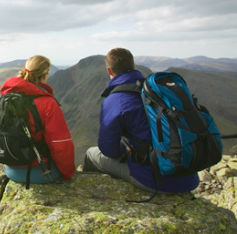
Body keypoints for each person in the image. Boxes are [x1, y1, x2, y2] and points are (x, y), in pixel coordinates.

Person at [82, 48, 199, 193]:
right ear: (134, 66)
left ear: (108, 70)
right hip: (189, 176)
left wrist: (126, 150)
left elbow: (108, 148)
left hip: (154, 179)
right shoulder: (157, 91)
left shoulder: (116, 100)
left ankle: (87, 191)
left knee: (91, 154)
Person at [0, 55, 75, 184]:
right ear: (45, 74)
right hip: (38, 171)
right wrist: (68, 175)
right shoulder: (47, 103)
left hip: (10, 168)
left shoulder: (8, 96)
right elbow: (60, 144)